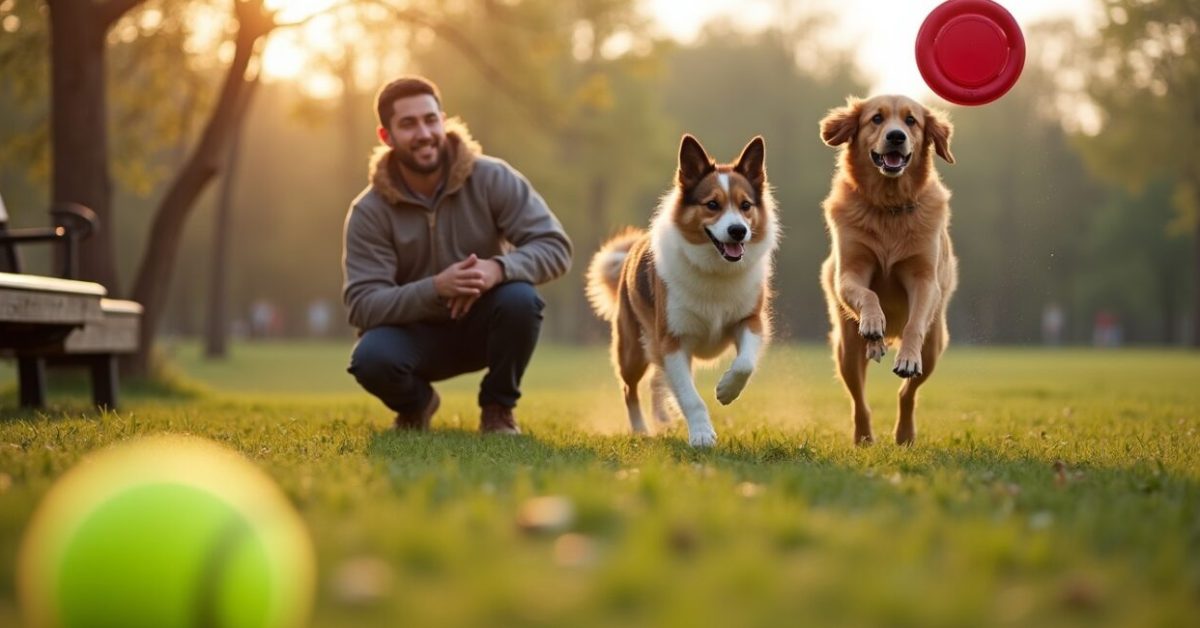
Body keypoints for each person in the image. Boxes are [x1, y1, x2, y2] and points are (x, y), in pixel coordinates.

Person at [342, 76, 572, 434]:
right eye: (408, 124)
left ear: (442, 120)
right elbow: (363, 305)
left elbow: (555, 246)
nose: (424, 133)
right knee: (371, 359)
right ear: (386, 136)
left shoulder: (492, 178)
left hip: (485, 328)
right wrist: (436, 287)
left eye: (430, 119)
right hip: (414, 339)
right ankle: (417, 405)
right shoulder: (368, 211)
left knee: (520, 299)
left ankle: (498, 408)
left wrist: (497, 269)